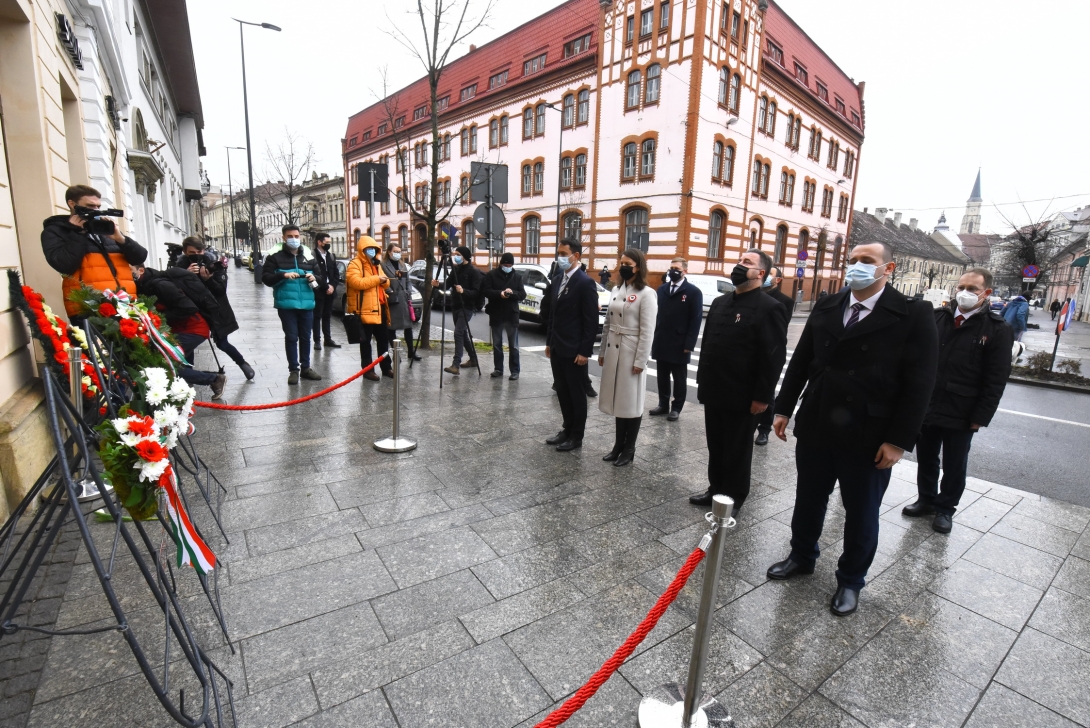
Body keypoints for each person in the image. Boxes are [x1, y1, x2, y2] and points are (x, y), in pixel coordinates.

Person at [767, 241, 938, 617]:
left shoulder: (912, 313)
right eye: (854, 260)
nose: (857, 267)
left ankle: (850, 580)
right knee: (809, 497)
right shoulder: (829, 305)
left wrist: (898, 440)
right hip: (817, 420)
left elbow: (921, 383)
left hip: (870, 433)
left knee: (861, 511)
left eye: (868, 261)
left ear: (888, 268)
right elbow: (801, 361)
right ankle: (802, 555)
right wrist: (783, 408)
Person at [904, 269, 1013, 533]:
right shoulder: (937, 318)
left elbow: (996, 379)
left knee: (955, 463)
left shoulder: (997, 330)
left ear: (986, 293)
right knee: (927, 457)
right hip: (929, 404)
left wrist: (980, 417)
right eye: (961, 286)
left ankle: (945, 509)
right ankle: (927, 500)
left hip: (962, 410)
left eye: (972, 289)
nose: (964, 292)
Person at [690, 249, 787, 512]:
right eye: (739, 260)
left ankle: (733, 496)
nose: (739, 265)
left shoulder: (770, 308)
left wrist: (762, 397)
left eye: (747, 263)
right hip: (715, 389)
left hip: (744, 396)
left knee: (737, 450)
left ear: (761, 273)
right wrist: (703, 383)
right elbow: (709, 343)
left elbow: (773, 358)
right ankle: (715, 489)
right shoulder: (721, 303)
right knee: (717, 445)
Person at [42, 184, 148, 321]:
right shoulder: (55, 231)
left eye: (98, 206)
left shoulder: (103, 228)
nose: (96, 210)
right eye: (90, 206)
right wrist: (77, 233)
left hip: (124, 303)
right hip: (88, 307)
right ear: (72, 204)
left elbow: (139, 257)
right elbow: (64, 265)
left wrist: (120, 239)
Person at [131, 264, 226, 399]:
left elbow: (188, 308)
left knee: (163, 365)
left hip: (193, 328)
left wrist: (158, 317)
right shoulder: (146, 284)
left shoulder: (159, 285)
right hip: (182, 328)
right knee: (174, 363)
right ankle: (187, 386)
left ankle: (213, 379)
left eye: (130, 270)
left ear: (140, 270)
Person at [599, 249, 657, 466]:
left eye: (628, 263)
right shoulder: (616, 289)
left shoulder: (647, 293)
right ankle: (617, 445)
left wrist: (640, 360)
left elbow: (648, 331)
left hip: (631, 351)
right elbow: (607, 322)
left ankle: (629, 448)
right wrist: (603, 351)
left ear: (638, 267)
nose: (623, 266)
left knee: (631, 402)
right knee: (618, 400)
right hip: (614, 351)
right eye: (621, 262)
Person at [544, 239, 599, 452]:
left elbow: (590, 320)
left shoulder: (585, 282)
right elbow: (553, 315)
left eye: (564, 253)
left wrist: (585, 350)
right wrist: (549, 341)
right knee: (562, 391)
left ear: (575, 256)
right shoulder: (558, 279)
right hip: (557, 346)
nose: (560, 257)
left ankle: (577, 436)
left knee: (576, 394)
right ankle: (566, 429)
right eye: (558, 253)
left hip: (575, 350)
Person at [174, 237, 255, 381]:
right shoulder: (179, 268)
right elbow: (173, 290)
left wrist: (208, 279)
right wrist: (185, 275)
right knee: (189, 343)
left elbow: (221, 291)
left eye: (199, 251)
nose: (196, 255)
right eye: (192, 252)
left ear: (204, 251)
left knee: (223, 343)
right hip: (193, 312)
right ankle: (189, 376)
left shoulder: (214, 265)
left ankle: (242, 363)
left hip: (216, 311)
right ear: (185, 252)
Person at [261, 225, 323, 385]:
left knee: (306, 337)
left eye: (296, 236)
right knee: (291, 337)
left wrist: (313, 278)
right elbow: (266, 278)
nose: (294, 239)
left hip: (307, 304)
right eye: (290, 236)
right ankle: (294, 370)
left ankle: (306, 368)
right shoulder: (274, 256)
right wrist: (283, 275)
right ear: (284, 238)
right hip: (286, 305)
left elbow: (321, 278)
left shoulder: (308, 256)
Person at [650, 257, 702, 421]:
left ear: (685, 271)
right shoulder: (662, 289)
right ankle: (663, 404)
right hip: (662, 339)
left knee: (679, 377)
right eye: (671, 267)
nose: (673, 271)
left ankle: (677, 407)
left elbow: (696, 319)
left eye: (677, 268)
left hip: (680, 342)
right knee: (662, 375)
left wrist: (689, 343)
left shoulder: (693, 292)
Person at [754, 266, 795, 445]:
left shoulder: (784, 301)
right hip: (751, 349)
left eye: (770, 274)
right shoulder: (753, 295)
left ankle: (764, 429)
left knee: (767, 392)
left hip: (771, 350)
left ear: (778, 280)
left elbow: (780, 328)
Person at [345, 236, 393, 381]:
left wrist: (383, 281)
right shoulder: (355, 264)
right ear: (362, 250)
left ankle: (386, 367)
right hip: (364, 309)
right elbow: (356, 282)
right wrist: (377, 280)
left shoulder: (376, 265)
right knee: (365, 342)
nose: (372, 251)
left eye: (374, 249)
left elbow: (386, 282)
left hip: (380, 307)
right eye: (369, 249)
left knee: (383, 340)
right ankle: (367, 370)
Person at [433, 245, 483, 375]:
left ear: (465, 256)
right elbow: (448, 284)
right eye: (455, 254)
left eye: (458, 254)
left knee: (458, 332)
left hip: (467, 307)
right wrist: (439, 285)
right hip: (455, 305)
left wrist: (463, 291)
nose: (456, 257)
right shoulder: (456, 270)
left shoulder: (474, 272)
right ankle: (473, 359)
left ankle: (456, 364)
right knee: (463, 334)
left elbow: (476, 292)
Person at [481, 252, 526, 379]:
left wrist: (512, 293)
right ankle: (498, 369)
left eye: (510, 265)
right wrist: (499, 294)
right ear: (501, 264)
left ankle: (515, 371)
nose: (508, 266)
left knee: (514, 346)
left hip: (511, 315)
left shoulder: (517, 277)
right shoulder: (491, 275)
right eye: (506, 264)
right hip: (496, 314)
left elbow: (522, 294)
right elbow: (486, 291)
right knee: (497, 344)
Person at [381, 242, 420, 361]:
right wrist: (389, 291)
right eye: (395, 252)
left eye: (399, 252)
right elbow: (381, 281)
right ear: (389, 252)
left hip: (403, 299)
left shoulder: (402, 265)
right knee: (391, 328)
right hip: (392, 299)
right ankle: (396, 354)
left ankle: (411, 352)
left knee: (408, 327)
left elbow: (408, 280)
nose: (397, 254)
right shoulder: (383, 265)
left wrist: (408, 291)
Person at [311, 233, 342, 350]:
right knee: (317, 316)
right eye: (327, 243)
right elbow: (314, 275)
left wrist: (333, 286)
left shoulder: (331, 256)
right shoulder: (312, 256)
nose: (328, 245)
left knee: (327, 316)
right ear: (319, 242)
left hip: (330, 291)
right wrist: (325, 287)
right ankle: (317, 341)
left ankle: (328, 339)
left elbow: (336, 273)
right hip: (319, 291)